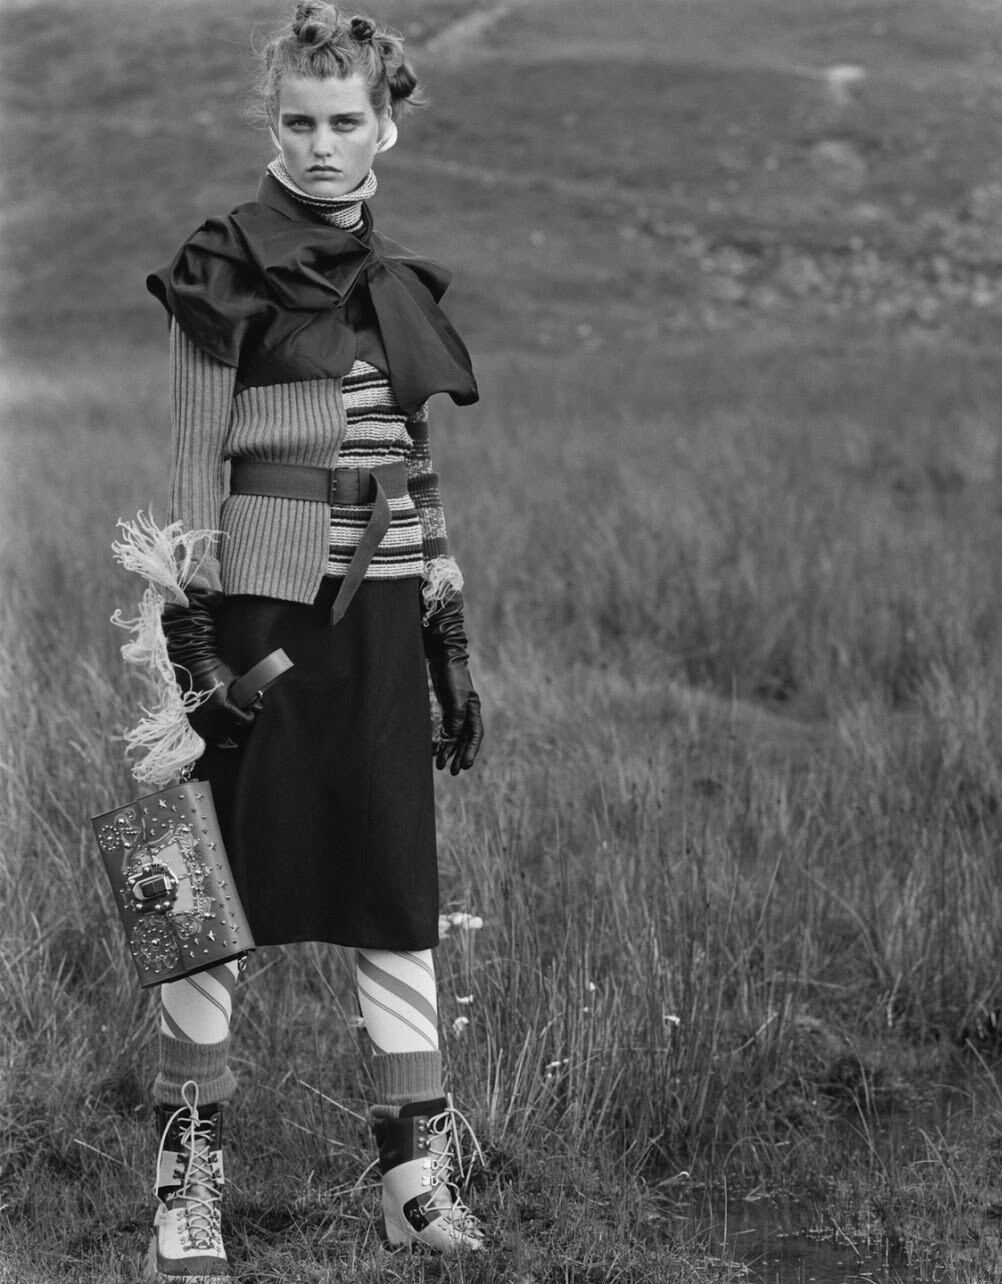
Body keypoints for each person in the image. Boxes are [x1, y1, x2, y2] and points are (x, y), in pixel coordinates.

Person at [141, 3, 487, 1275]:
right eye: (300, 121)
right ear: (273, 123)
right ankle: (184, 1191)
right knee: (204, 894)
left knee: (395, 887)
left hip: (381, 614)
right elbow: (190, 469)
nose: (322, 144)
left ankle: (412, 1189)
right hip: (254, 614)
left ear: (384, 125)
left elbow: (414, 464)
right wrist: (188, 653)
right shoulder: (221, 262)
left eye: (345, 121)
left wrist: (447, 634)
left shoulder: (394, 280)